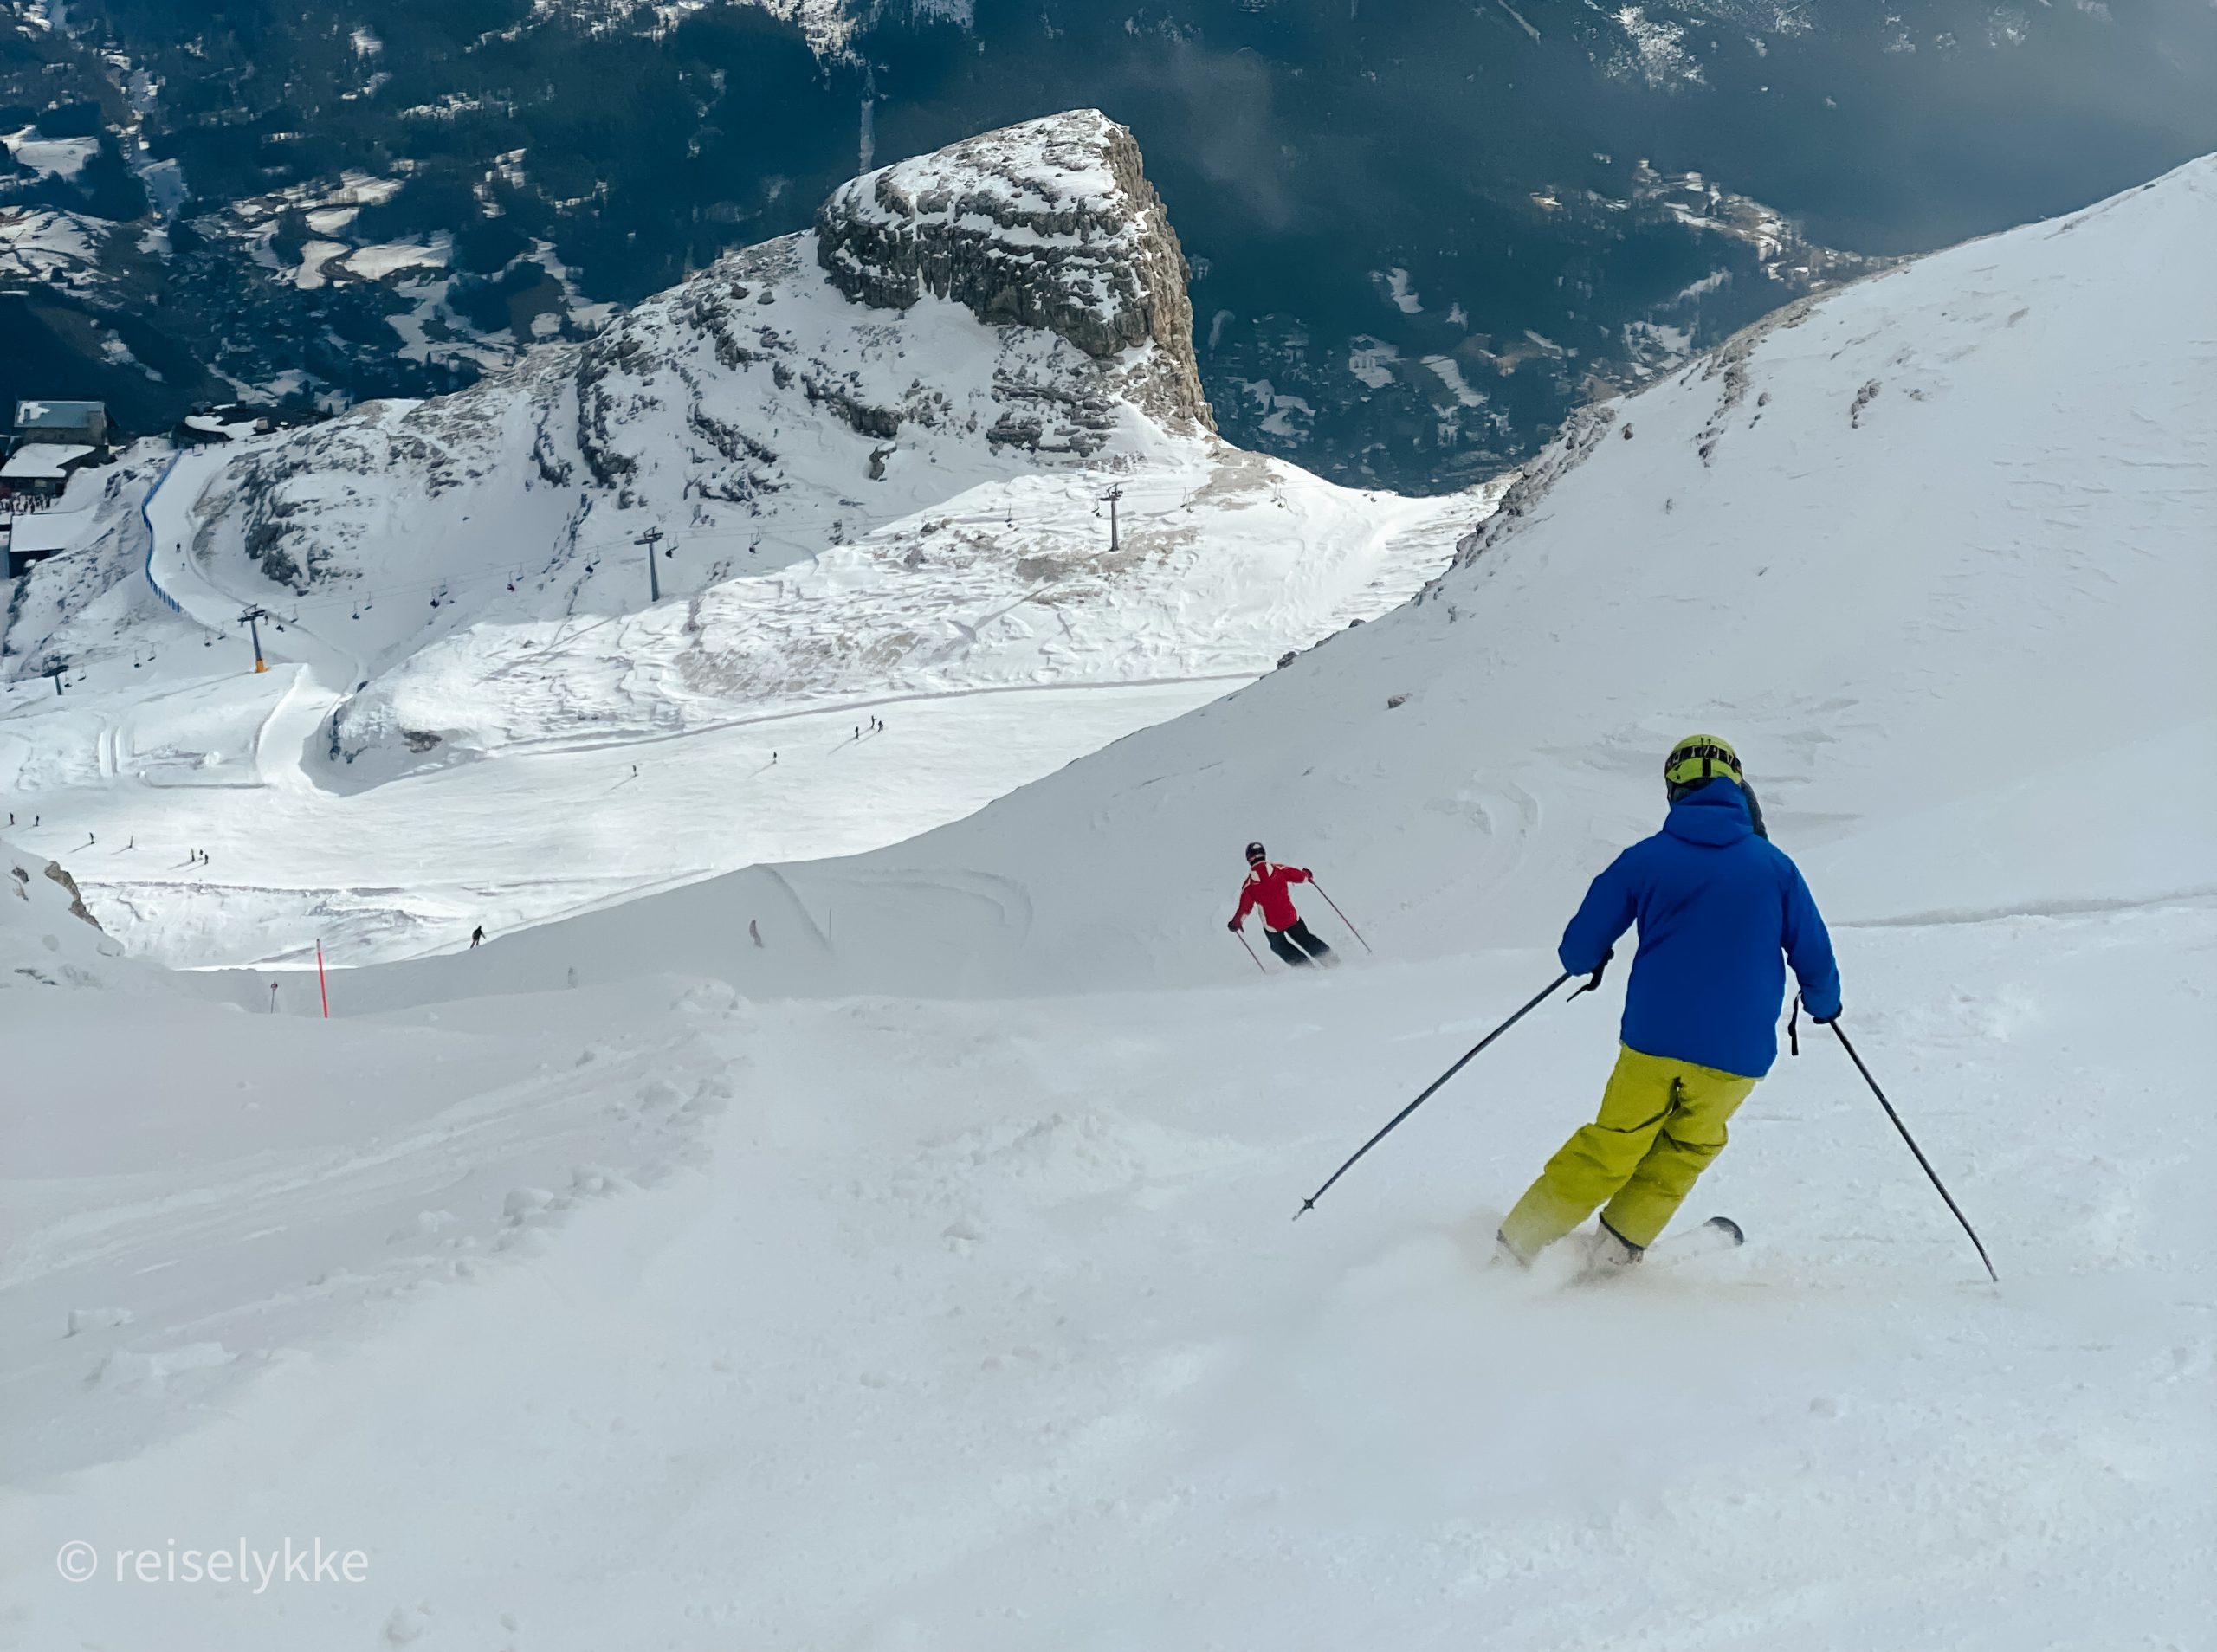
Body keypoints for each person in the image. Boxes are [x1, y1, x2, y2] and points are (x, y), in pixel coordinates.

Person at [1496, 735, 1840, 1271]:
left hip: (1652, 1042)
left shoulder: (1646, 859)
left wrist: (1586, 959)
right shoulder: (1775, 867)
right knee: (1687, 1147)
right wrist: (1823, 1002)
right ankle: (1618, 1245)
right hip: (1737, 1053)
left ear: (1673, 790)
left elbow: (1579, 948)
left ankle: (1519, 1244)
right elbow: (1812, 949)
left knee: (1612, 1143)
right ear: (1738, 786)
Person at [1228, 841, 1334, 967]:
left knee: (1279, 947)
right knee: (1305, 938)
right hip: (1291, 917)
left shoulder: (1250, 884)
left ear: (1249, 858)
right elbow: (1300, 876)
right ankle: (1331, 961)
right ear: (1264, 855)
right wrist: (1307, 875)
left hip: (1272, 925)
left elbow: (1244, 909)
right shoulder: (1278, 869)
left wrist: (1235, 923)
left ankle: (1306, 968)